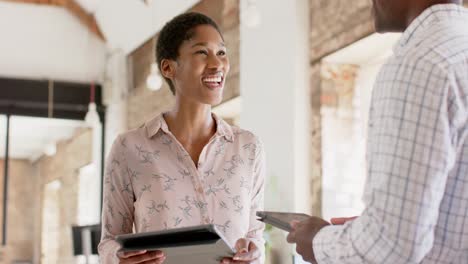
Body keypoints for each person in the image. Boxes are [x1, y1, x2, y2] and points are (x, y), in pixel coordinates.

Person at [287, 0, 468, 263]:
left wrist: (317, 240)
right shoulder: (457, 49)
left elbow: (391, 246)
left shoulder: (418, 65)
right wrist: (368, 227)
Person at [98, 12, 266, 264]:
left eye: (221, 52)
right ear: (168, 67)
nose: (217, 64)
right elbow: (109, 242)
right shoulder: (129, 148)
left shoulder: (248, 147)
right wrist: (120, 259)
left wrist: (253, 254)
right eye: (202, 52)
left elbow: (255, 235)